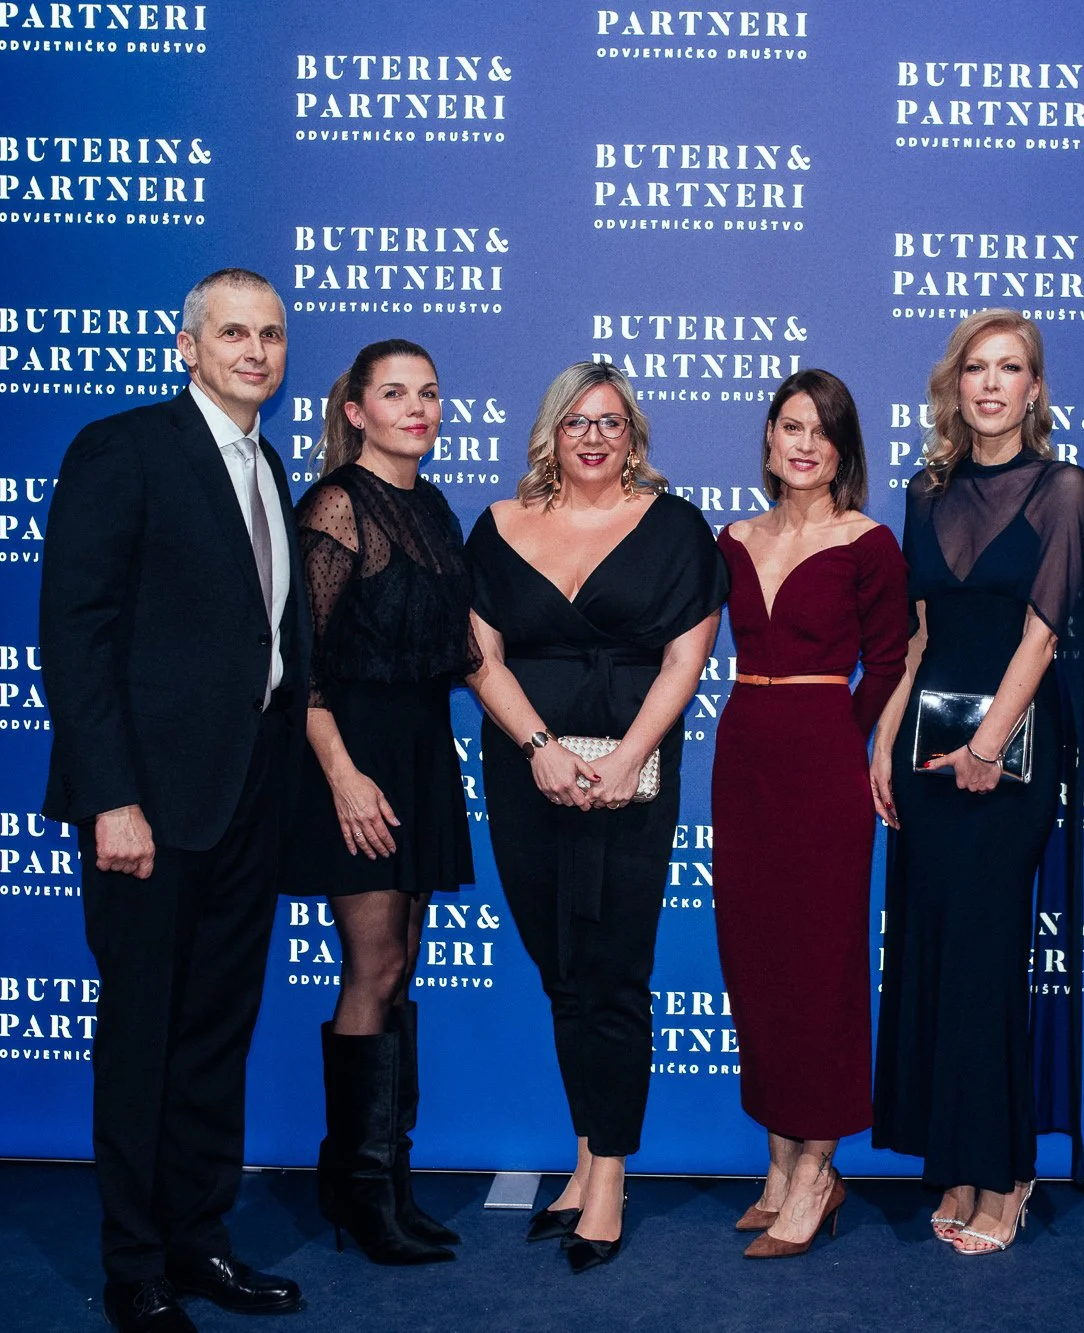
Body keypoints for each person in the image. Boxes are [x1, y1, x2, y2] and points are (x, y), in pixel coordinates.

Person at [40, 268, 307, 1333]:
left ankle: (200, 1240)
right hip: (146, 808)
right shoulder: (124, 449)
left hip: (246, 803)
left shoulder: (267, 463)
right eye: (233, 332)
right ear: (186, 345)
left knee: (213, 1034)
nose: (254, 350)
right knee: (145, 1036)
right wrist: (111, 798)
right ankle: (134, 1267)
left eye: (271, 334)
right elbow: (76, 633)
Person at [463, 362, 726, 1273]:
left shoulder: (675, 528)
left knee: (613, 970)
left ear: (635, 437)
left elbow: (685, 660)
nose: (593, 436)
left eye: (611, 422)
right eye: (576, 420)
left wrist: (624, 758)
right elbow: (479, 655)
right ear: (550, 431)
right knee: (562, 971)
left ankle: (608, 1176)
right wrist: (540, 747)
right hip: (526, 772)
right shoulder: (496, 526)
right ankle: (583, 1155)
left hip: (629, 778)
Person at [870, 308, 1084, 1257]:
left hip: (1013, 757)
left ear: (1035, 389)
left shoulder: (1062, 488)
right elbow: (919, 638)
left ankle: (1004, 1173)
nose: (992, 384)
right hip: (924, 756)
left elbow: (1044, 635)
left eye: (1012, 369)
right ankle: (956, 1159)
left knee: (991, 954)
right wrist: (881, 742)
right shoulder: (925, 491)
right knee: (935, 952)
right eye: (976, 368)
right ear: (954, 384)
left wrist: (989, 746)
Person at [711, 369, 909, 1260]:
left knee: (822, 959)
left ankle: (819, 1166)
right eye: (790, 426)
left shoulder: (869, 542)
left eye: (821, 431)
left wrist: (848, 736)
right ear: (768, 440)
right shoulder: (732, 538)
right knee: (756, 957)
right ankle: (780, 1150)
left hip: (823, 760)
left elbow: (892, 657)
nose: (803, 443)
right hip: (743, 750)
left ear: (842, 449)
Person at [293, 340, 477, 1266]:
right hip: (355, 755)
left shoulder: (433, 506)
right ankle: (360, 1195)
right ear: (356, 410)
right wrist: (341, 774)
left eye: (431, 394)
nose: (418, 407)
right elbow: (303, 668)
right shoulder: (334, 505)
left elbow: (465, 649)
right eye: (396, 393)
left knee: (398, 966)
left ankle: (384, 1181)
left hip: (418, 754)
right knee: (371, 968)